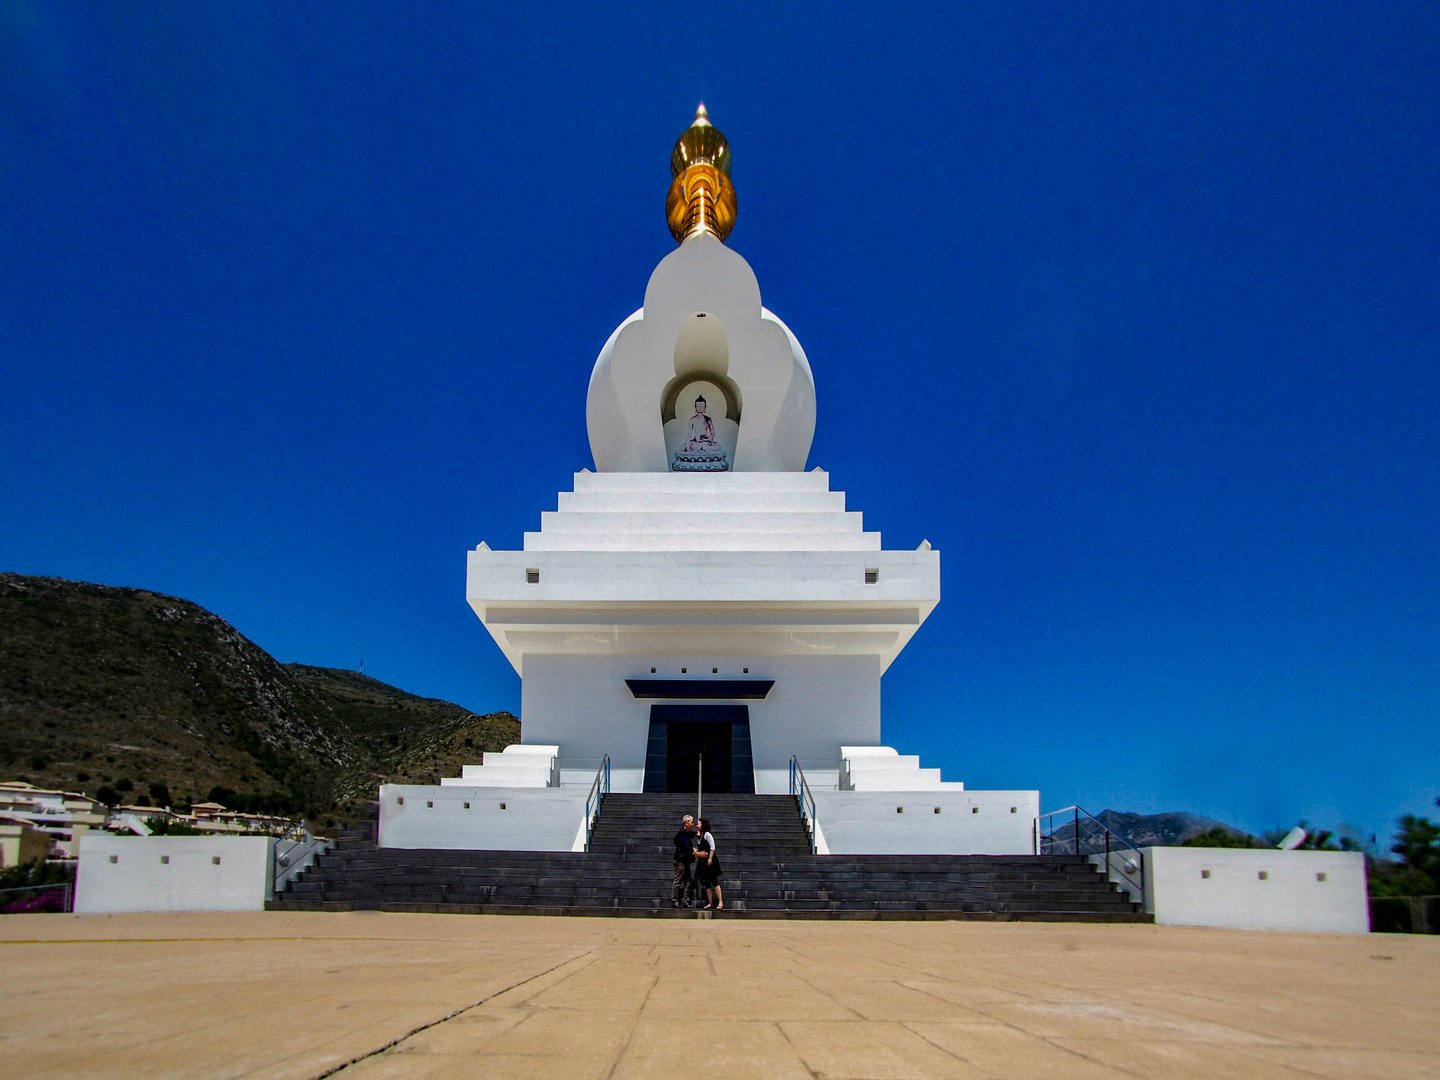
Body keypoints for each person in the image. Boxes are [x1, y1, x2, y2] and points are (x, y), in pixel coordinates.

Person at [694, 816, 723, 911]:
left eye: (698, 824)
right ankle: (710, 903)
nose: (697, 825)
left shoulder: (707, 834)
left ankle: (720, 901)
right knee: (706, 883)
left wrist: (710, 858)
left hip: (710, 861)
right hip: (703, 862)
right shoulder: (700, 836)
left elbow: (712, 847)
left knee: (714, 881)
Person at [671, 814, 697, 908]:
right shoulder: (682, 833)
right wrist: (697, 853)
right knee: (678, 880)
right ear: (686, 823)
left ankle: (685, 900)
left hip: (685, 861)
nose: (693, 824)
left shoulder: (685, 833)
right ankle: (674, 901)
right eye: (691, 822)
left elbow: (693, 834)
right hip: (680, 861)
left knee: (688, 881)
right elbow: (686, 847)